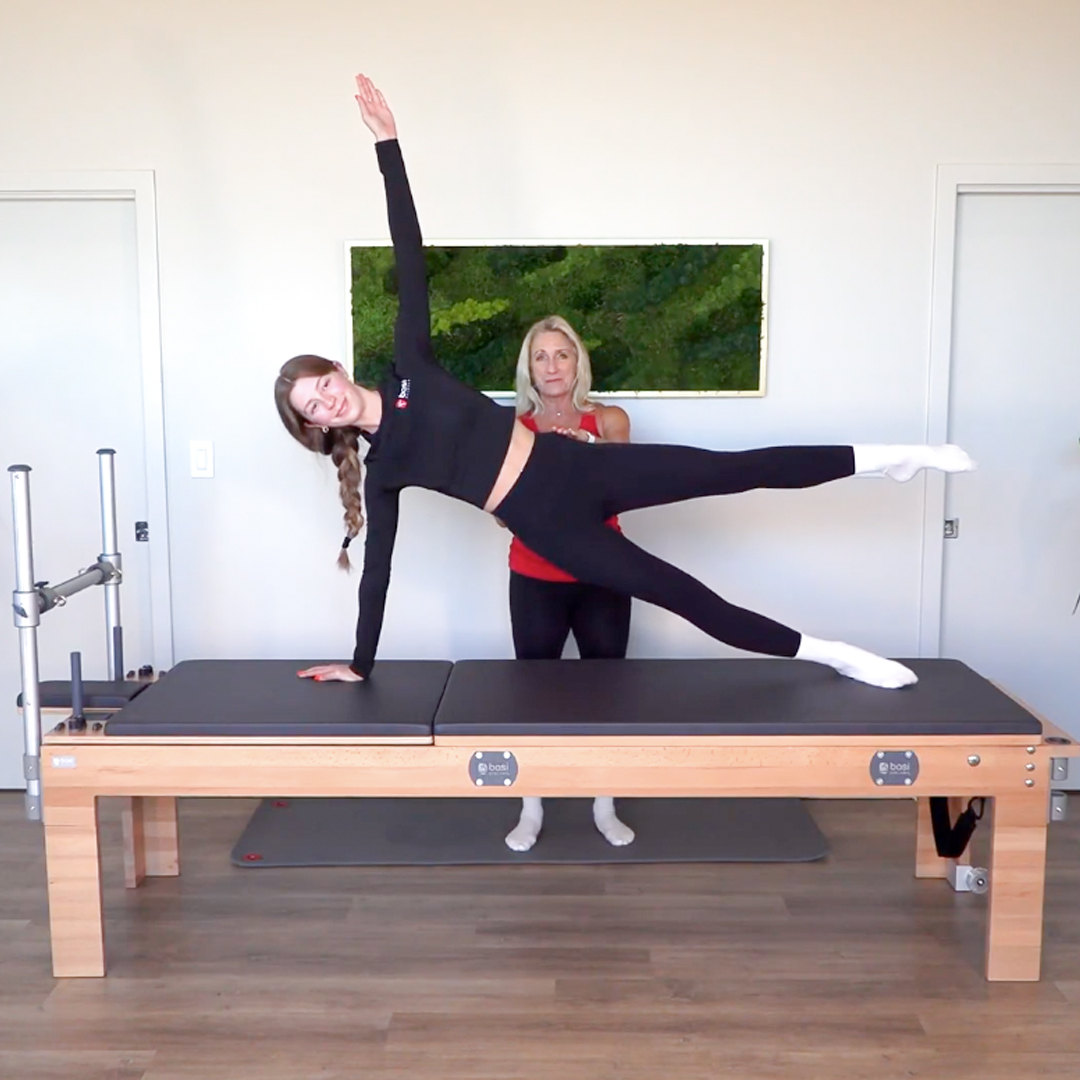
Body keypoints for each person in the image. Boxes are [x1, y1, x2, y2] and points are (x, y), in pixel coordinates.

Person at [274, 74, 974, 701]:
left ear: (337, 370)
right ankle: (838, 655)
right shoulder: (384, 471)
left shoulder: (410, 366)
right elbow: (378, 573)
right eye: (313, 408)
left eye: (321, 384)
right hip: (549, 526)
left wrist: (388, 145)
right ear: (319, 427)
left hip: (580, 466)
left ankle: (892, 458)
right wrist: (360, 663)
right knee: (685, 595)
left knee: (737, 468)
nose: (326, 400)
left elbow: (409, 253)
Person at [504, 315, 634, 851]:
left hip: (604, 572)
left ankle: (604, 803)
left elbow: (624, 489)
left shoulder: (608, 420)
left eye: (562, 354)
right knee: (535, 695)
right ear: (529, 369)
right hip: (535, 576)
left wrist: (583, 450)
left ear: (578, 361)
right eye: (541, 356)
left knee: (605, 692)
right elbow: (503, 512)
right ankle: (531, 806)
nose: (552, 365)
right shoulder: (513, 429)